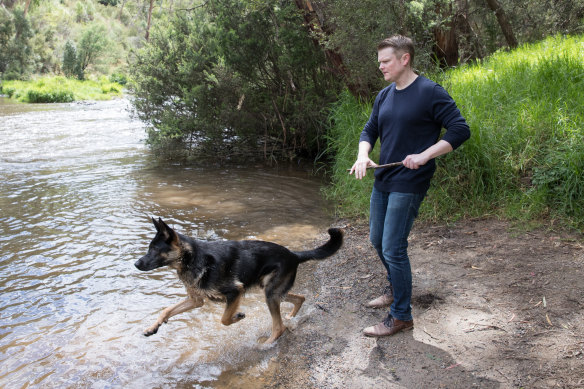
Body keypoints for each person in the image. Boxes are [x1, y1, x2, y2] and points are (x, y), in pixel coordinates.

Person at [349, 35, 470, 337]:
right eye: (379, 62)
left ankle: (401, 315)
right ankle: (396, 287)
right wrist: (364, 155)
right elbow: (370, 129)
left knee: (393, 246)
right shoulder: (385, 95)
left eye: (386, 61)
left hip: (411, 181)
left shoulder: (429, 92)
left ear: (405, 59)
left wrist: (426, 154)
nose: (381, 67)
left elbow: (460, 128)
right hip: (385, 178)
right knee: (377, 241)